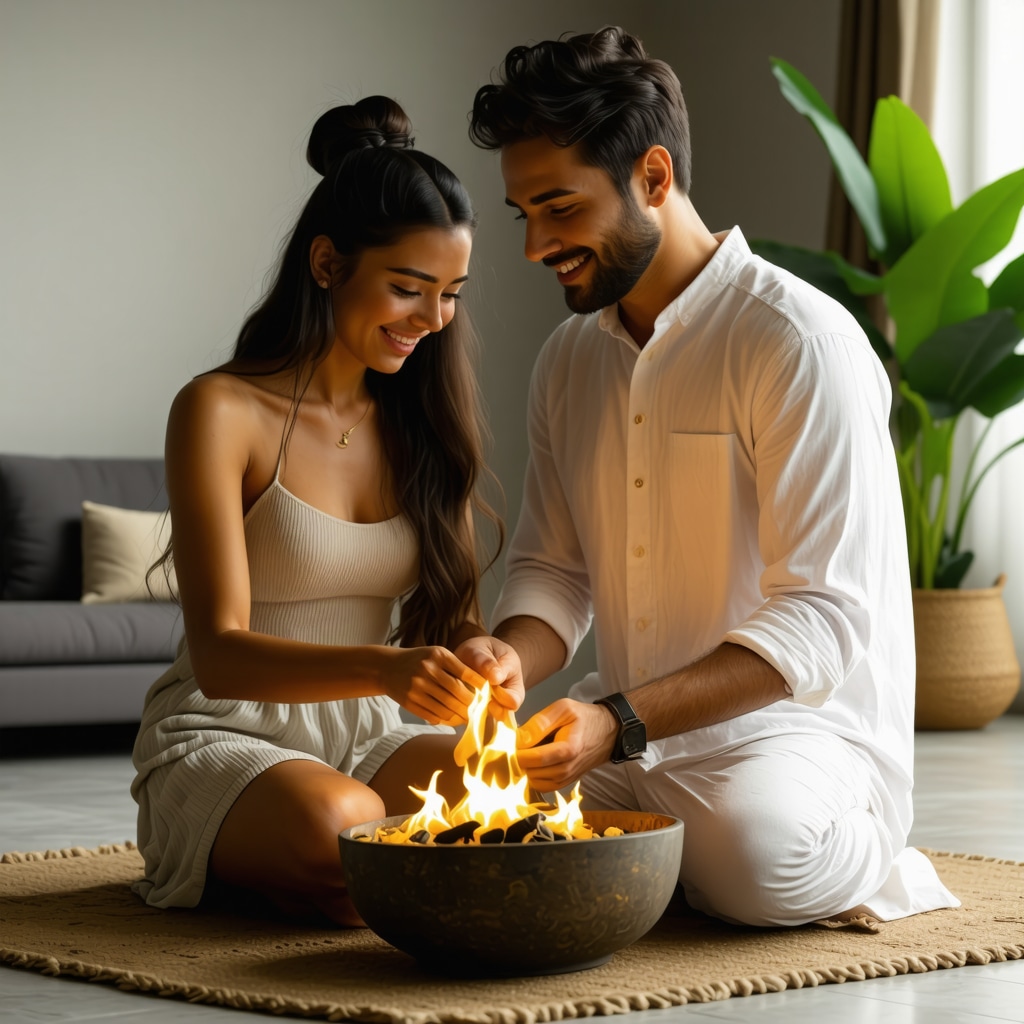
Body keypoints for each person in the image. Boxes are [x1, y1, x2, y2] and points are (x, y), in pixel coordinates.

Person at [461, 26, 959, 927]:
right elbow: (553, 572)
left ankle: (862, 855)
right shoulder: (568, 361)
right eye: (523, 214)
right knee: (458, 819)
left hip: (797, 740)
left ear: (654, 178)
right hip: (627, 735)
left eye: (561, 208)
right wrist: (510, 657)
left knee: (757, 858)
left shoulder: (798, 341)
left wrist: (618, 718)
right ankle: (668, 861)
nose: (535, 245)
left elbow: (820, 619)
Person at [131, 97, 522, 926]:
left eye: (451, 293)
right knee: (341, 824)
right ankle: (285, 855)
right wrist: (384, 666)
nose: (433, 320)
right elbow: (221, 653)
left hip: (369, 736)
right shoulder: (219, 410)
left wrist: (481, 656)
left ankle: (358, 884)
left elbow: (453, 628)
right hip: (226, 728)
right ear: (325, 263)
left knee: (514, 779)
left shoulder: (423, 423)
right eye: (408, 289)